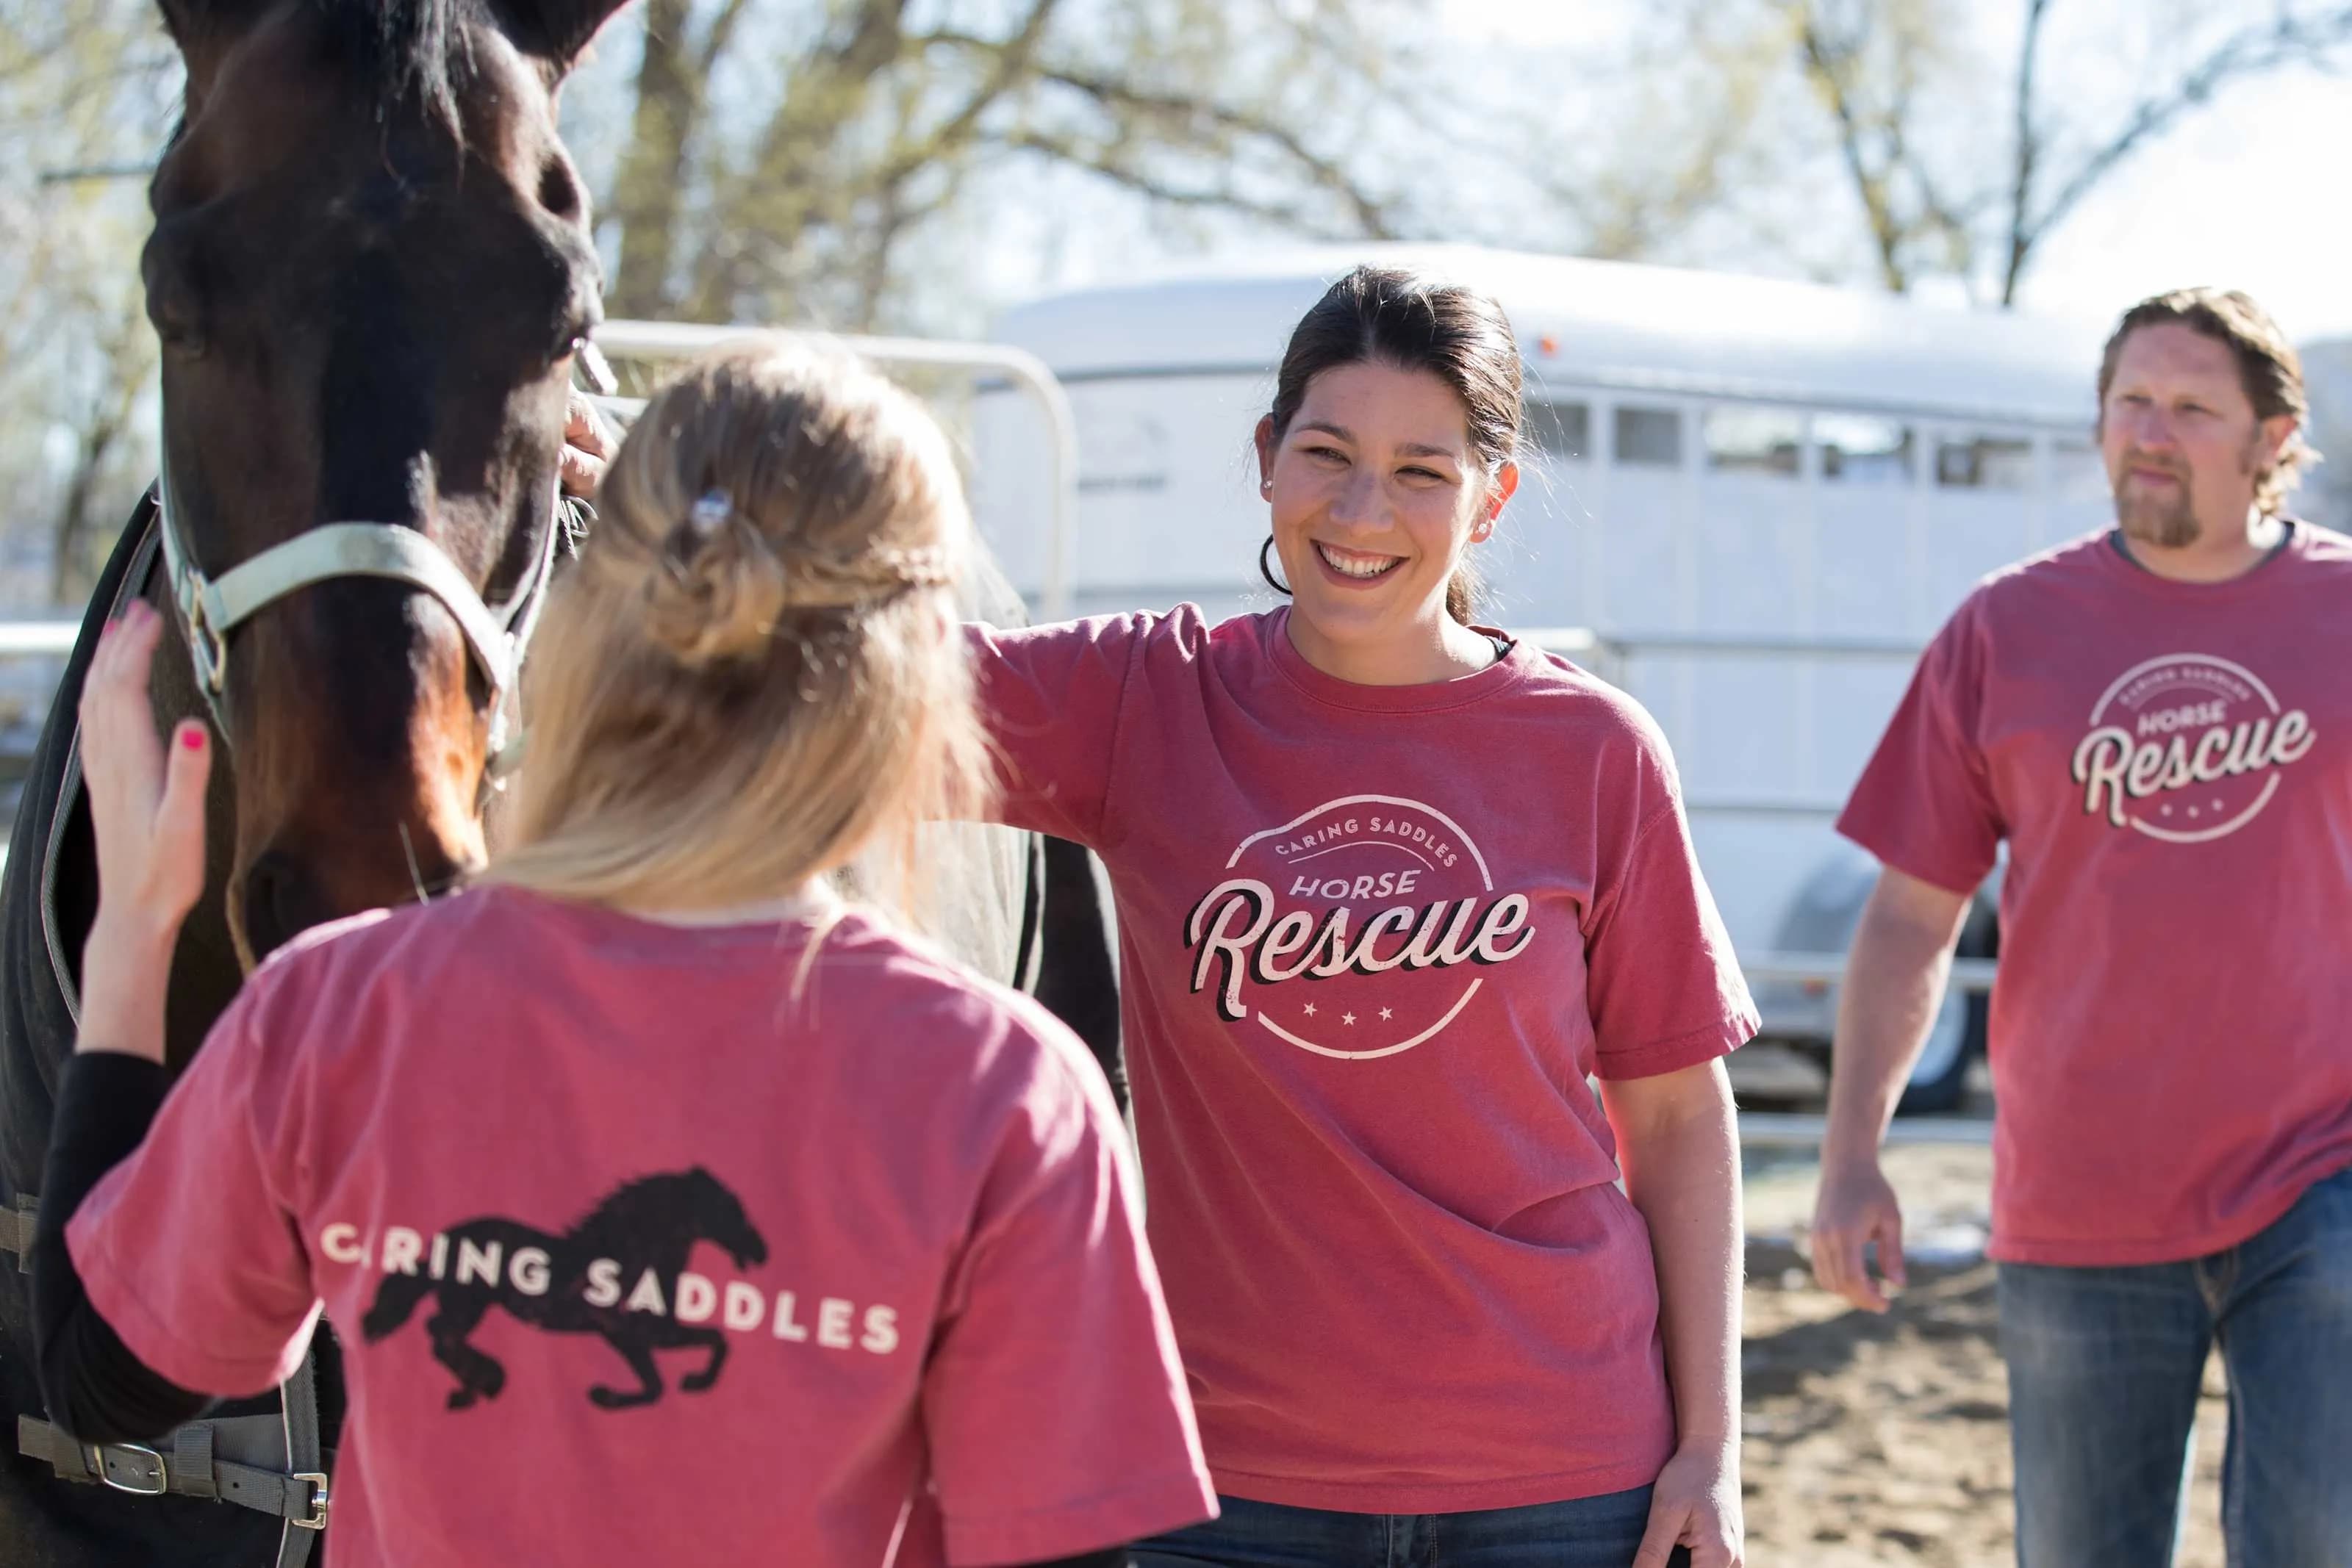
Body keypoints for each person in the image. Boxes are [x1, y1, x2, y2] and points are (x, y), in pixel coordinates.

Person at [32, 340, 1216, 1568]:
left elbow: (102, 1377)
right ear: (918, 677)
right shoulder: (1006, 1094)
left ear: (591, 617)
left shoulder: (340, 1008)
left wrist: (135, 928)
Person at [969, 265, 1754, 1568]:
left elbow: (1676, 1114)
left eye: (1420, 472)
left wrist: (1712, 1445)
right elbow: (853, 690)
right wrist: (659, 507)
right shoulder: (1146, 702)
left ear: (1492, 497)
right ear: (1266, 457)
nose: (1361, 511)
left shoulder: (1594, 750)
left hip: (1563, 1476)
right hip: (1227, 1486)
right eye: (1326, 455)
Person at [1812, 287, 2352, 1567]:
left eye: (2193, 408)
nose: (2151, 433)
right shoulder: (2007, 630)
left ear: (2274, 438)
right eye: (2130, 402)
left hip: (2323, 1172)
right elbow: (1912, 913)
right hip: (2078, 1187)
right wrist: (1850, 1151)